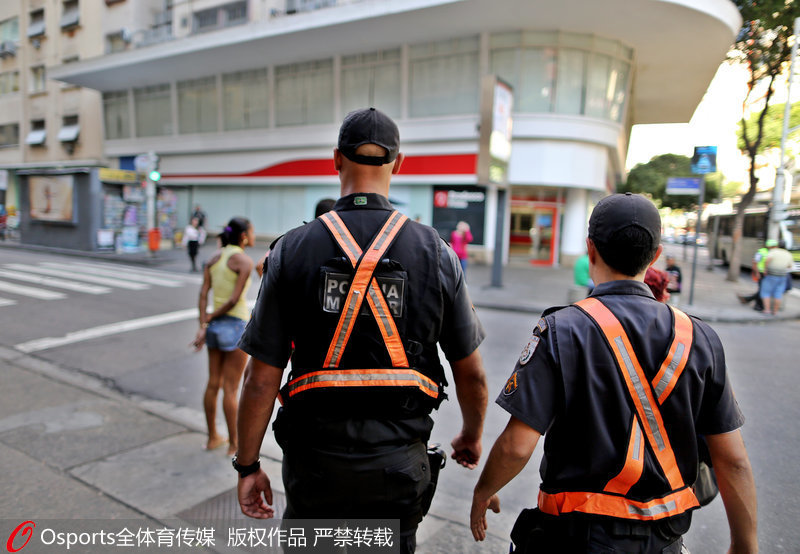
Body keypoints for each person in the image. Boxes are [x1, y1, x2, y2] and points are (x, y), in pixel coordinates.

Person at [234, 107, 489, 553]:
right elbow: (473, 374)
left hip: (314, 467)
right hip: (399, 469)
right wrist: (470, 434)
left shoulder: (291, 250)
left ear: (336, 159)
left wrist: (248, 465)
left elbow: (260, 379)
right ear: (399, 163)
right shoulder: (437, 253)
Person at [471, 193, 757, 553]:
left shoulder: (563, 329)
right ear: (655, 256)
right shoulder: (699, 338)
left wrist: (483, 491)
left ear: (590, 249)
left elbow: (517, 446)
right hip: (661, 542)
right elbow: (733, 460)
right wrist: (745, 545)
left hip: (572, 539)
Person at [192, 217, 255, 456]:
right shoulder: (243, 260)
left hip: (215, 326)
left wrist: (204, 323)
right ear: (243, 236)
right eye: (251, 231)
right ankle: (233, 445)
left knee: (213, 384)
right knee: (231, 389)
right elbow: (233, 300)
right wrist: (208, 320)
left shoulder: (213, 259)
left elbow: (202, 293)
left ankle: (212, 438)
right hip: (236, 325)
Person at [760, 239, 793, 315]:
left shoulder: (773, 252)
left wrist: (765, 270)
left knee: (765, 292)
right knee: (778, 293)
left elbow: (767, 260)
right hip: (782, 276)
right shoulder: (788, 254)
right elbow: (790, 266)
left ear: (778, 245)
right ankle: (775, 311)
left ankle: (767, 310)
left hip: (771, 275)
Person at [737, 240, 771, 311]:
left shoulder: (772, 252)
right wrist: (757, 273)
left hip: (767, 274)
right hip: (761, 273)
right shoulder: (761, 251)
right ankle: (757, 306)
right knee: (762, 290)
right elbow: (755, 262)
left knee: (762, 290)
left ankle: (747, 299)